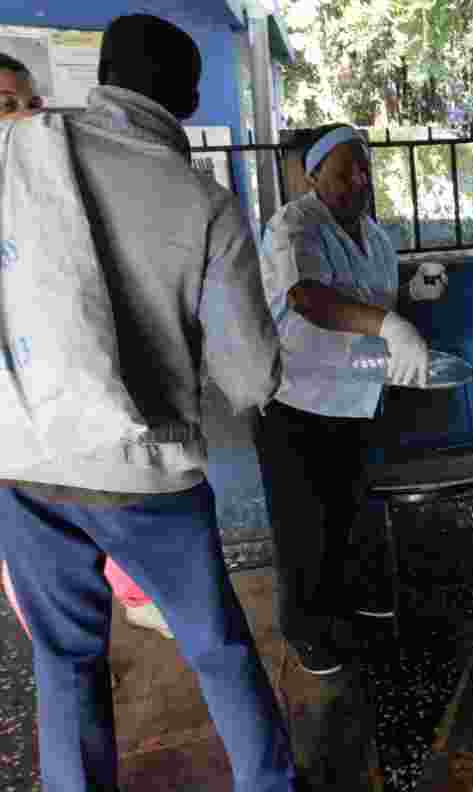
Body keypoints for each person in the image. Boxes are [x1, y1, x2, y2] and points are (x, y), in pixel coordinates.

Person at [0, 15, 306, 792]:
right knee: (215, 646)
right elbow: (250, 377)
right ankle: (269, 784)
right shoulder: (199, 201)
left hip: (19, 460)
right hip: (144, 473)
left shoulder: (19, 156)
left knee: (65, 658)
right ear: (189, 96)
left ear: (100, 71)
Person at [256, 123, 445, 676]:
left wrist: (413, 290)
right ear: (314, 174)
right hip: (299, 402)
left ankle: (351, 603)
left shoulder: (375, 236)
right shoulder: (295, 227)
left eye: (365, 168)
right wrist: (390, 323)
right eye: (345, 170)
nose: (359, 180)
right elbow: (308, 298)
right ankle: (307, 632)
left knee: (346, 513)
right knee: (302, 527)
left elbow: (372, 294)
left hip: (357, 398)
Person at [0, 54, 174, 642]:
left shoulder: (53, 192)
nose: (25, 118)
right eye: (6, 106)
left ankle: (128, 594)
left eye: (31, 103)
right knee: (59, 626)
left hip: (72, 418)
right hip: (15, 452)